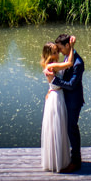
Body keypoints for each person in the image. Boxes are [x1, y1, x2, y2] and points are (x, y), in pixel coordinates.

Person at [52, 34, 84, 172]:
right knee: (67, 128)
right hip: (66, 99)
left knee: (72, 128)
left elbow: (71, 84)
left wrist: (54, 82)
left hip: (73, 101)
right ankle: (70, 156)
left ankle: (76, 161)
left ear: (67, 46)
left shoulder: (78, 63)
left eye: (60, 48)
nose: (59, 52)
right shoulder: (68, 56)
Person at [40, 42, 73, 172]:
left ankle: (57, 159)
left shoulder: (49, 65)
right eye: (54, 52)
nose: (57, 53)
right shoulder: (52, 65)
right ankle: (58, 160)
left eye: (57, 51)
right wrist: (72, 47)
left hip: (55, 94)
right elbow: (69, 63)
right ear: (48, 55)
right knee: (57, 127)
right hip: (56, 97)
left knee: (57, 127)